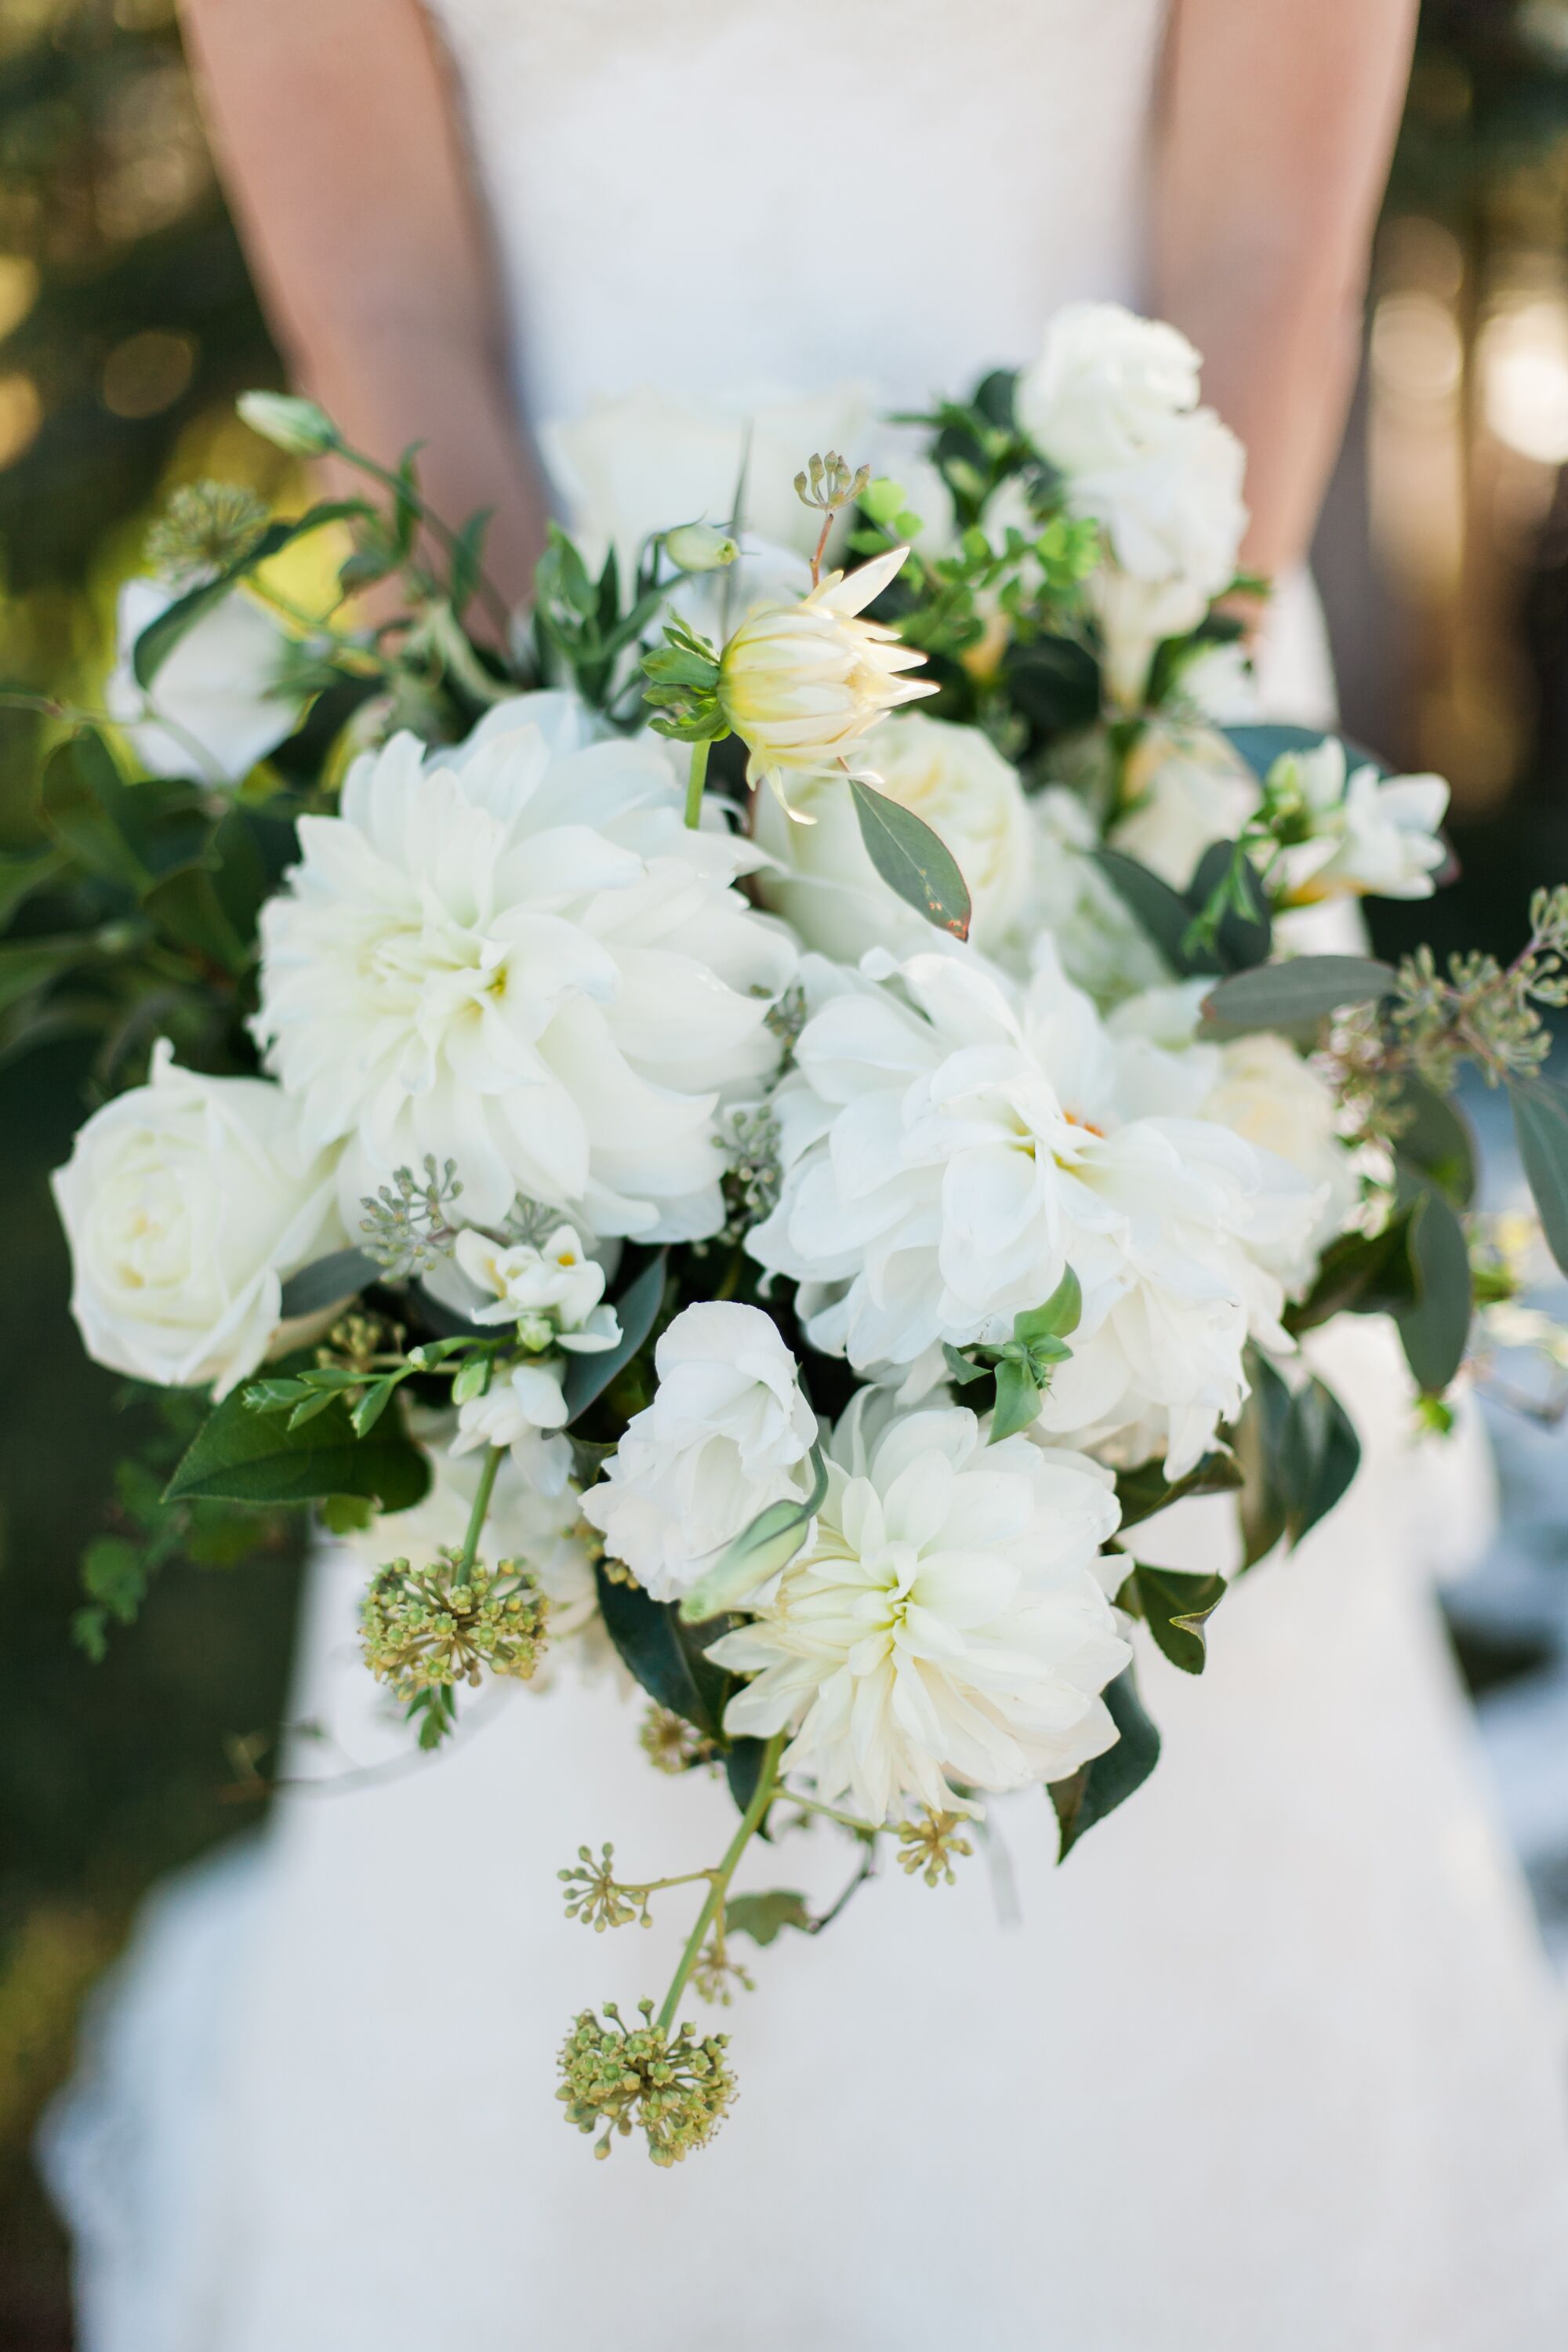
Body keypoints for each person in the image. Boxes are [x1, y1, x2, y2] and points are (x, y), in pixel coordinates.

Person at [43, 5, 1568, 2347]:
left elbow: (1262, 254)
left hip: (1114, 751)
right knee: (588, 1670)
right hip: (556, 801)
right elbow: (392, 312)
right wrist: (628, 843)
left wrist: (1050, 823)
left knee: (1155, 1631)